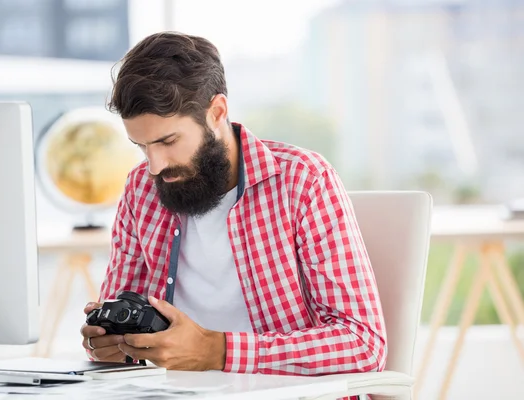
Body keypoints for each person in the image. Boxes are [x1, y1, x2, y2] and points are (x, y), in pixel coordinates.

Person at [80, 31, 387, 376]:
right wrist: (107, 344)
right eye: (142, 146)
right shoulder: (141, 190)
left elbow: (363, 344)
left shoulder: (303, 181)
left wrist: (218, 351)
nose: (155, 165)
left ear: (217, 112)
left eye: (168, 141)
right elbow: (119, 328)